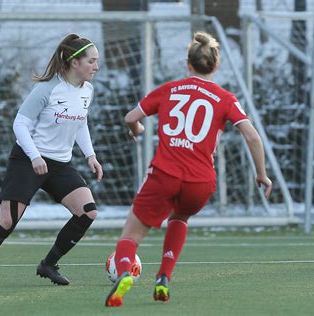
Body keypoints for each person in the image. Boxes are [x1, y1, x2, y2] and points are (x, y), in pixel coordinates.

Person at [105, 32, 273, 307]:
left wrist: (136, 128)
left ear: (189, 63)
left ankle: (124, 272)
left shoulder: (170, 89)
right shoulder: (225, 98)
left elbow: (130, 117)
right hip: (200, 182)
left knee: (130, 236)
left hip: (164, 174)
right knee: (180, 218)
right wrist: (261, 174)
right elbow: (252, 136)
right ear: (215, 66)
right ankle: (163, 278)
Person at [0, 33, 103, 288]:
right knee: (8, 220)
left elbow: (80, 124)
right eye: (91, 61)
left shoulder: (86, 90)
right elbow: (20, 124)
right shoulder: (47, 89)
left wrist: (90, 155)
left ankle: (48, 264)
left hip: (59, 164)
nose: (96, 66)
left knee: (88, 212)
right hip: (28, 158)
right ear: (74, 62)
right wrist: (35, 155)